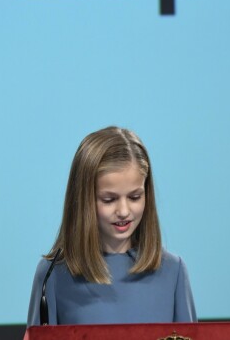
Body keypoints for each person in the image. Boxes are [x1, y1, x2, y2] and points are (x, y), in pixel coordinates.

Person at [27, 126, 196, 326]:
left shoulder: (173, 271)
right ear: (83, 201)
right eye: (109, 200)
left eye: (135, 197)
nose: (124, 211)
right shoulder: (53, 274)